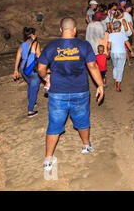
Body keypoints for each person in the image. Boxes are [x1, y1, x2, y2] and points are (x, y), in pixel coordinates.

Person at [38, 17, 104, 171]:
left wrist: (46, 76)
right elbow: (93, 66)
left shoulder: (51, 46)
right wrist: (100, 85)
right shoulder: (84, 45)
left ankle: (48, 159)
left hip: (57, 93)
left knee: (54, 124)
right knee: (82, 119)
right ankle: (86, 145)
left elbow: (40, 67)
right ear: (75, 30)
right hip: (80, 91)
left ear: (60, 30)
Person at [13, 27, 43, 117]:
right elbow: (39, 56)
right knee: (34, 88)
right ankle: (30, 111)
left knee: (30, 85)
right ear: (33, 34)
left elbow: (18, 58)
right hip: (33, 69)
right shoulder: (35, 44)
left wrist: (15, 70)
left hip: (23, 69)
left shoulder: (22, 45)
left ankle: (32, 102)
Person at [108, 21, 130, 92]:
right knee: (120, 69)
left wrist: (108, 51)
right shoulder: (123, 34)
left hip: (113, 53)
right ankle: (118, 86)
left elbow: (109, 45)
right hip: (121, 53)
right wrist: (131, 51)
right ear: (120, 27)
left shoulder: (110, 35)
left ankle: (115, 82)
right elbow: (128, 44)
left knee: (115, 67)